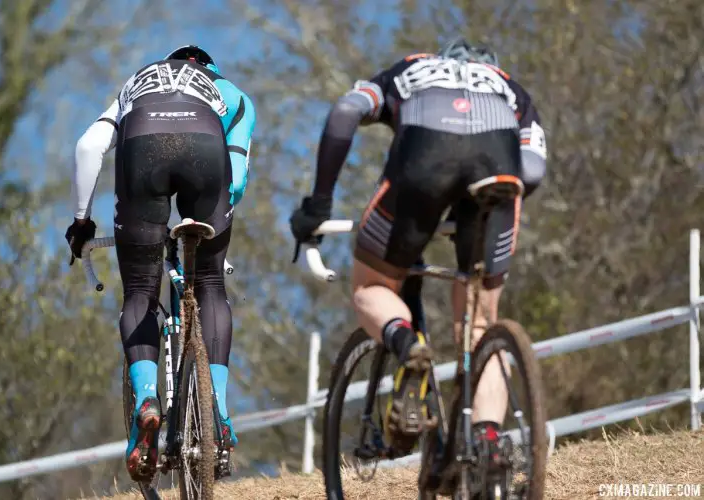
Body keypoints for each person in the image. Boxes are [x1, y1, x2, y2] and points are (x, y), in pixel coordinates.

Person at [289, 37, 546, 463]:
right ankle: (486, 442)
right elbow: (533, 170)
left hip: (425, 161)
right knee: (480, 321)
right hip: (498, 169)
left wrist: (319, 205)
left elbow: (346, 110)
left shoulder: (409, 67)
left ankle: (407, 346)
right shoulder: (510, 87)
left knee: (370, 287)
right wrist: (471, 208)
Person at [64, 45, 256, 482]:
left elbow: (88, 145)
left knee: (140, 291)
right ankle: (219, 411)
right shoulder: (229, 93)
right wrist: (216, 215)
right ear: (209, 70)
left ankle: (148, 399)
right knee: (209, 283)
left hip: (142, 147)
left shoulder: (138, 81)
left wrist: (81, 221)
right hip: (207, 155)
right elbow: (239, 175)